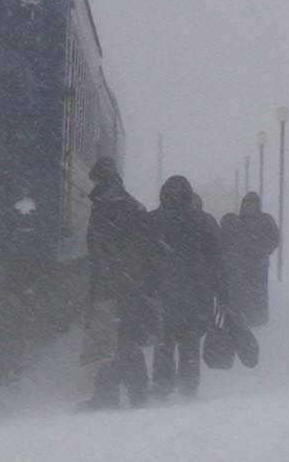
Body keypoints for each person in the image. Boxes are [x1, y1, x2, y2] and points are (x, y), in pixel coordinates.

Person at [80, 157, 157, 409]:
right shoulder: (130, 203)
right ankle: (134, 392)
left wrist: (103, 281)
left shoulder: (106, 204)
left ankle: (110, 396)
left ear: (99, 179)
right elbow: (142, 245)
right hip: (131, 281)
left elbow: (102, 248)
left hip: (113, 282)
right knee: (125, 337)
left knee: (112, 340)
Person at [148, 175, 228, 400]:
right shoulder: (203, 221)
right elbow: (217, 261)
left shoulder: (153, 220)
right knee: (190, 343)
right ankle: (188, 388)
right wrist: (223, 295)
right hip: (195, 295)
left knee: (163, 343)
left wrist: (143, 289)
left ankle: (162, 387)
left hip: (162, 293)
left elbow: (141, 259)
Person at [225, 192, 279, 327]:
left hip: (257, 265)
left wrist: (261, 251)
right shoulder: (239, 221)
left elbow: (274, 239)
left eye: (252, 204)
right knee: (244, 292)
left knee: (257, 293)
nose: (249, 207)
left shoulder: (264, 220)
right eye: (247, 204)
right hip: (243, 265)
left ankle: (257, 319)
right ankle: (245, 317)